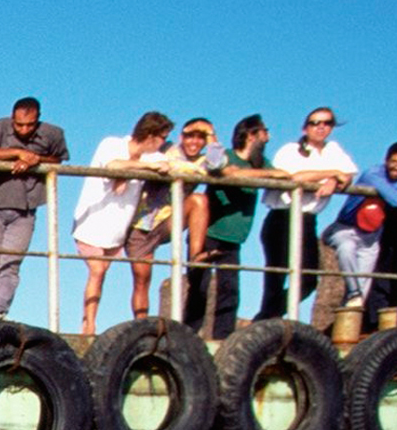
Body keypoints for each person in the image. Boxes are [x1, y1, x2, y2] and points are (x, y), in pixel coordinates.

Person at [71, 112, 172, 335]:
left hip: (117, 230)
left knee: (102, 272)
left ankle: (97, 321)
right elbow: (113, 165)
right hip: (92, 223)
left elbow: (166, 166)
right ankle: (88, 326)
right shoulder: (112, 143)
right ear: (150, 135)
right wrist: (149, 168)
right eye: (162, 137)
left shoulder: (152, 158)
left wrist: (154, 166)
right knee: (96, 270)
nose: (163, 143)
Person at [252, 107, 355, 321]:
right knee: (276, 275)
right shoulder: (291, 149)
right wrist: (332, 173)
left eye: (326, 123)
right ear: (305, 127)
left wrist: (335, 180)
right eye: (315, 123)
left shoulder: (333, 150)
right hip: (282, 217)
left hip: (307, 219)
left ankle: (264, 318)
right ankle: (265, 321)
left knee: (308, 279)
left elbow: (349, 175)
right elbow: (295, 177)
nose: (320, 127)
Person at [0, 96, 68, 323]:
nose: (24, 129)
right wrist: (17, 153)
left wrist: (36, 160)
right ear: (13, 119)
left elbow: (58, 160)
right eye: (19, 124)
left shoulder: (53, 133)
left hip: (26, 208)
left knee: (11, 263)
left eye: (29, 125)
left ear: (38, 120)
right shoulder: (2, 127)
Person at [121, 117, 223, 320]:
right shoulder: (167, 150)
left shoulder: (204, 162)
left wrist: (210, 132)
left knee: (198, 200)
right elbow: (144, 147)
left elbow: (217, 163)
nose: (194, 142)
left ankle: (195, 256)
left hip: (169, 221)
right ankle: (140, 325)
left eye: (200, 138)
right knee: (142, 280)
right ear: (181, 137)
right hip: (141, 224)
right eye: (189, 136)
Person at [186, 114, 278, 338]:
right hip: (209, 232)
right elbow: (225, 170)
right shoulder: (226, 155)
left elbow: (286, 177)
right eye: (264, 132)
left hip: (234, 239)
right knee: (199, 288)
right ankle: (187, 335)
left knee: (230, 291)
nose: (268, 136)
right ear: (251, 135)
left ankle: (222, 339)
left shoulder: (261, 163)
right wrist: (268, 174)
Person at [323, 141, 397, 311]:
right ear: (386, 160)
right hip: (346, 227)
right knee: (346, 247)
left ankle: (348, 324)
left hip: (371, 234)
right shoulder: (373, 173)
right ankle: (354, 292)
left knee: (361, 292)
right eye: (394, 162)